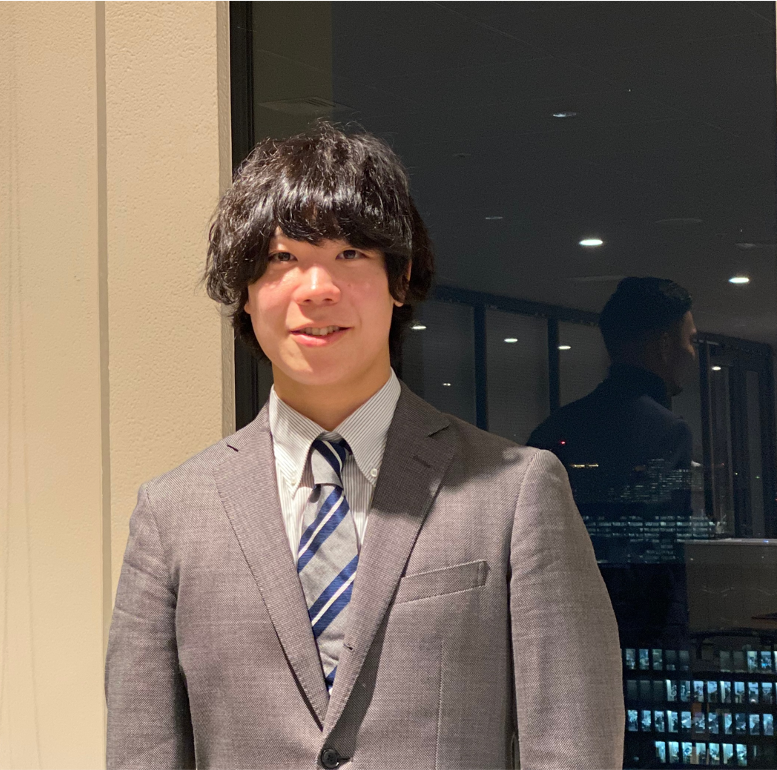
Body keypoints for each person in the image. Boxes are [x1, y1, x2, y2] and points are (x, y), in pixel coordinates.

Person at [105, 122, 624, 769]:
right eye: (281, 258)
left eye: (350, 253)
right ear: (245, 292)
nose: (316, 288)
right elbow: (141, 751)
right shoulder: (172, 514)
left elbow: (573, 746)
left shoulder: (515, 492)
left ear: (399, 279)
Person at [529, 278, 701, 653]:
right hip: (643, 642)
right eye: (690, 341)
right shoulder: (667, 432)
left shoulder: (556, 427)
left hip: (560, 631)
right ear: (665, 345)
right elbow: (657, 561)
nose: (693, 354)